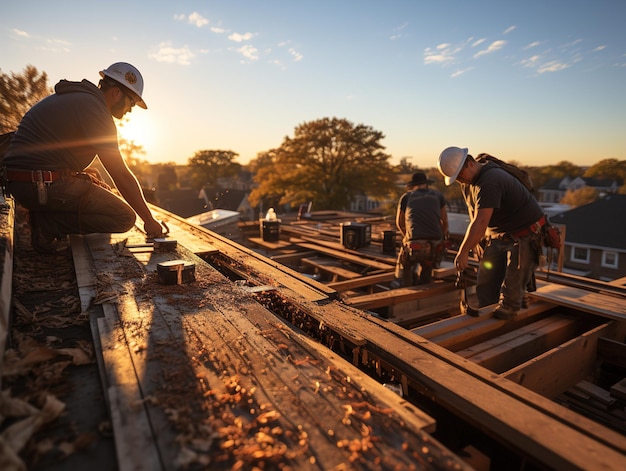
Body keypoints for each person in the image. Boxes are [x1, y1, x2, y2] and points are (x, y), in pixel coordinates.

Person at [1, 62, 165, 253]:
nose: (130, 110)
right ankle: (48, 225)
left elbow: (50, 149)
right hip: (36, 185)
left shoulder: (80, 99)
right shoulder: (95, 110)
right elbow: (120, 173)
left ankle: (46, 217)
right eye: (131, 102)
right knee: (124, 217)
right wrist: (149, 220)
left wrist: (77, 171)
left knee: (98, 184)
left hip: (24, 181)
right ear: (116, 93)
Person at [437, 146, 544, 319]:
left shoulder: (491, 180)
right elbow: (475, 216)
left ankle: (509, 315)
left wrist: (463, 252)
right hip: (500, 234)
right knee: (486, 282)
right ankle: (488, 311)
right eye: (457, 179)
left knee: (511, 293)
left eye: (461, 176)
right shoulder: (471, 183)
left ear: (470, 164)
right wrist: (477, 243)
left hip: (526, 233)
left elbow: (481, 221)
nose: (460, 181)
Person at [395, 171, 449, 286]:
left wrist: (407, 236)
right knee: (428, 265)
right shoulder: (438, 196)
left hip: (415, 243)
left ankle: (407, 287)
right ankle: (424, 284)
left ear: (412, 185)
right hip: (434, 243)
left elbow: (399, 223)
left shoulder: (406, 197)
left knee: (405, 265)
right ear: (426, 184)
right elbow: (445, 222)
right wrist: (442, 238)